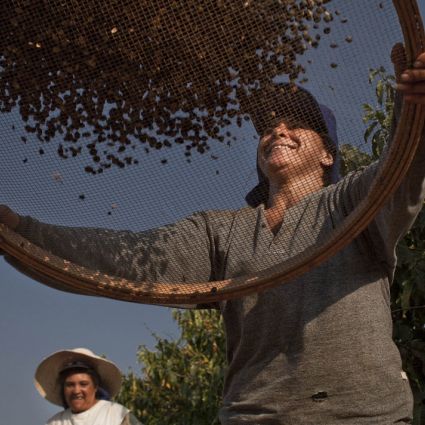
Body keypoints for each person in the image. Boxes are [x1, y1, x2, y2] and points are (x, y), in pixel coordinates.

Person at [2, 48, 425, 423]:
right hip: (254, 415)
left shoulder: (351, 203)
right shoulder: (221, 231)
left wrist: (412, 110)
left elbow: (400, 172)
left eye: (296, 124)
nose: (277, 130)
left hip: (361, 414)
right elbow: (126, 258)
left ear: (328, 152)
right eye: (267, 126)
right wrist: (21, 232)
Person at [34, 347, 142, 425]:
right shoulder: (55, 422)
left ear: (95, 387)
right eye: (70, 385)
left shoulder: (116, 415)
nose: (76, 391)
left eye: (83, 384)